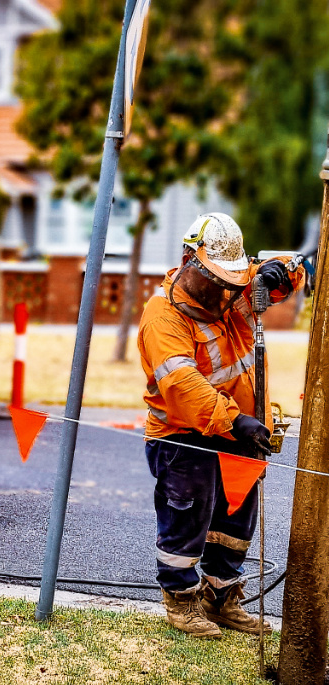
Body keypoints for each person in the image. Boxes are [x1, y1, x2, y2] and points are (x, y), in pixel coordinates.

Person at [137, 212, 305, 639]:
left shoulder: (235, 288)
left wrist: (279, 271)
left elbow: (294, 269)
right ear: (189, 259)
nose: (224, 292)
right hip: (184, 437)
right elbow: (182, 384)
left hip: (239, 432)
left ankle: (221, 595)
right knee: (187, 520)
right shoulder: (164, 317)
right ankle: (181, 601)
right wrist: (235, 421)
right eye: (214, 281)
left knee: (236, 519)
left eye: (231, 284)